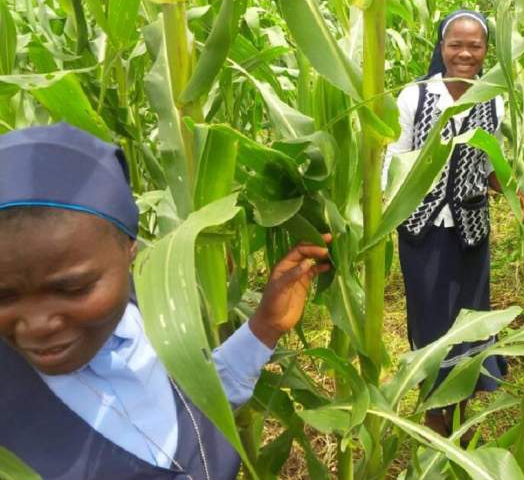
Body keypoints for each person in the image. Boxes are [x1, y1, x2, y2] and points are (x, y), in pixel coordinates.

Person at [0, 123, 331, 479]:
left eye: (73, 289)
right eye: (3, 295)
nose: (37, 324)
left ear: (130, 250)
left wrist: (264, 328)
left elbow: (191, 401)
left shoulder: (152, 307)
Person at [385, 9, 524, 438]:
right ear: (442, 48)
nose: (465, 53)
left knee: (470, 318)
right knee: (431, 320)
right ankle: (434, 412)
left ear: (486, 51)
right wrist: (383, 206)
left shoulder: (494, 99)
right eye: (456, 45)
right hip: (421, 227)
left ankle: (463, 413)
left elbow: (491, 160)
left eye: (475, 45)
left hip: (470, 227)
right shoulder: (415, 96)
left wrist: (512, 191)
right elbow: (394, 158)